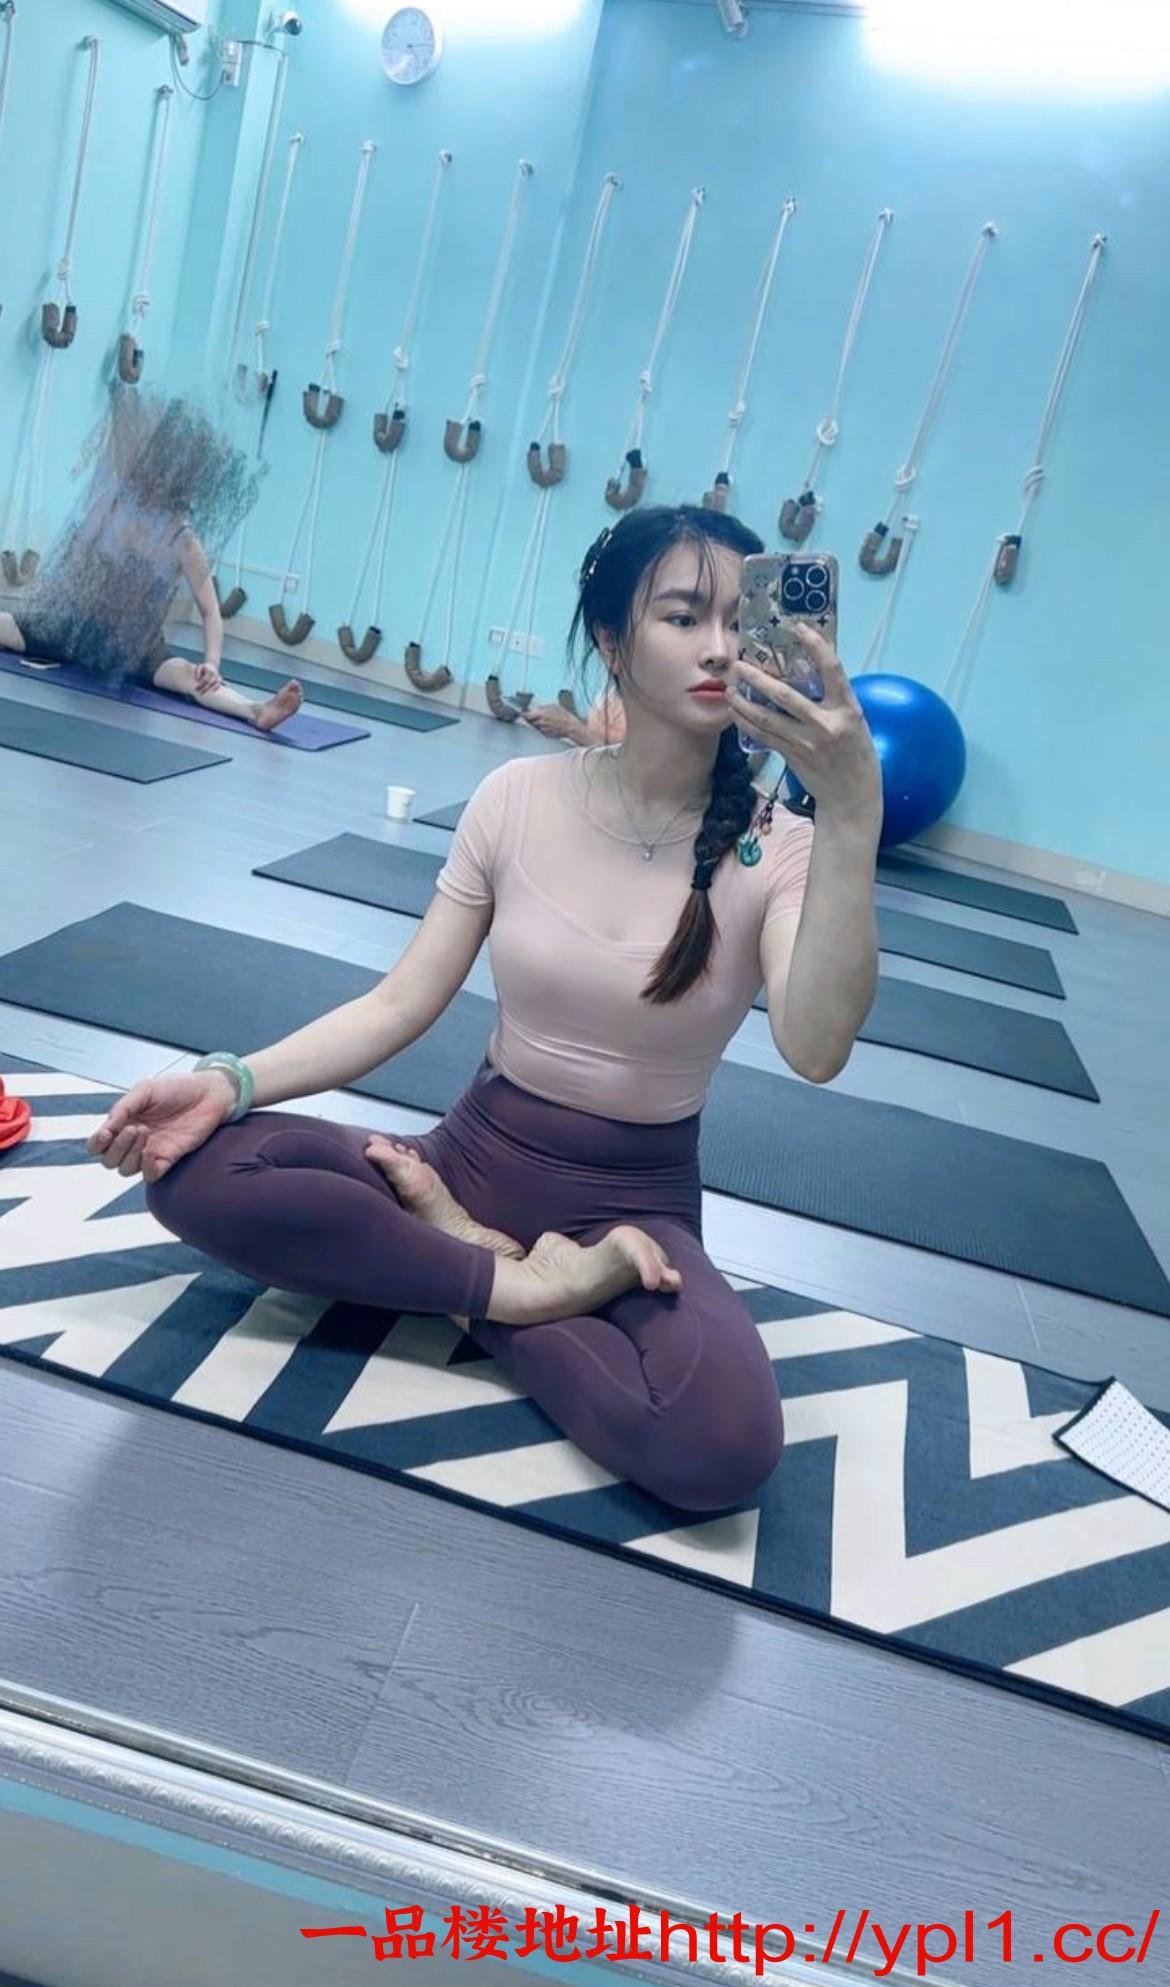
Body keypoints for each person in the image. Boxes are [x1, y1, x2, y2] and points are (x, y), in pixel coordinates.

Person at [87, 505, 883, 1513]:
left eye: (737, 619)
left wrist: (850, 811)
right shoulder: (517, 797)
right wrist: (225, 1081)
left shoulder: (779, 847)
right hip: (465, 1159)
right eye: (684, 617)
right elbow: (397, 1004)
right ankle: (515, 1281)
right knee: (192, 1167)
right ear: (612, 642)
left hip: (636, 1209)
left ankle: (457, 1269)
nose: (720, 647)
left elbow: (816, 1048)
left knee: (722, 1448)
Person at [0, 388, 303, 733]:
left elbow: (210, 611)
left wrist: (212, 663)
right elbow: (76, 553)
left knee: (191, 676)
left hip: (135, 647)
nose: (160, 483)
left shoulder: (183, 540)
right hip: (76, 626)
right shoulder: (114, 504)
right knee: (6, 626)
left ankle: (256, 709)